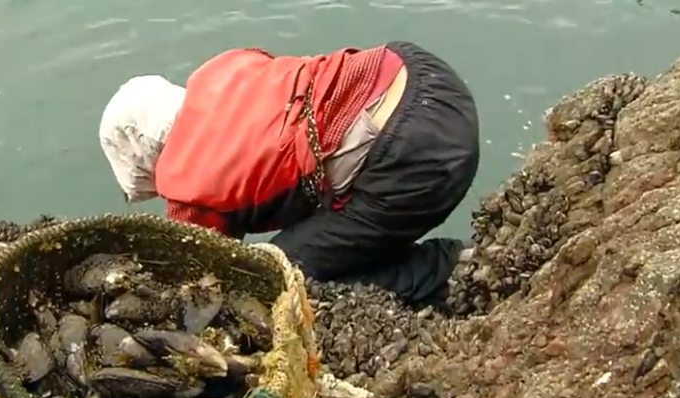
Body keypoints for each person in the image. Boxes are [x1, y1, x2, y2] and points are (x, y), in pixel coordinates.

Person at [99, 41, 479, 305]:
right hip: (425, 77)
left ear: (144, 158)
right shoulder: (224, 68)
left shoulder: (185, 189)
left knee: (279, 279)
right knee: (326, 233)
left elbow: (207, 277)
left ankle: (454, 269)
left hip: (413, 157)